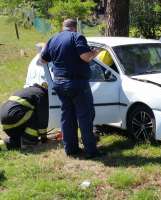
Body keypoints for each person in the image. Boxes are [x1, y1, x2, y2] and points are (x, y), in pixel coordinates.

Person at [40, 19, 101, 158]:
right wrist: (94, 53)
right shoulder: (77, 36)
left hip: (59, 84)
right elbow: (85, 57)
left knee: (67, 116)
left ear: (63, 27)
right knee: (85, 116)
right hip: (76, 83)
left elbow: (43, 60)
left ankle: (71, 149)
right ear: (75, 27)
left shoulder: (53, 39)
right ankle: (91, 151)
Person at [0, 84, 49, 150]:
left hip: (6, 125)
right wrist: (44, 137)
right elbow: (43, 118)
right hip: (14, 118)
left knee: (18, 141)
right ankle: (29, 142)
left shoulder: (27, 91)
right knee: (34, 114)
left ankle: (1, 145)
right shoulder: (41, 94)